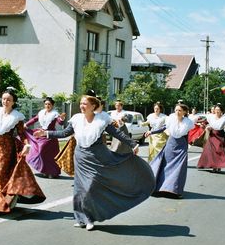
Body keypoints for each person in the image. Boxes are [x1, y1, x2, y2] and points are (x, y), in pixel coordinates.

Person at [35, 94, 155, 231]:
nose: (82, 106)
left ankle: (90, 217)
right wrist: (46, 133)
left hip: (97, 157)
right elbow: (64, 133)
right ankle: (81, 218)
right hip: (80, 156)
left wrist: (133, 144)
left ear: (93, 106)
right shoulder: (76, 119)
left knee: (90, 187)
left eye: (85, 103)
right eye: (81, 103)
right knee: (80, 189)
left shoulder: (102, 119)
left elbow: (117, 133)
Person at [0, 88, 46, 213]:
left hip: (7, 148)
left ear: (13, 102)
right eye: (3, 99)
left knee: (2, 174)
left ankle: (4, 200)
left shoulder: (16, 116)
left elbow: (22, 134)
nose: (5, 101)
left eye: (8, 100)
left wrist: (26, 145)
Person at [147, 103, 194, 198]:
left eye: (180, 110)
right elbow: (163, 128)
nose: (177, 112)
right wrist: (151, 132)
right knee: (166, 166)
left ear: (184, 112)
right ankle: (162, 188)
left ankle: (175, 191)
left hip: (181, 146)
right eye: (176, 110)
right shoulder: (170, 119)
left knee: (179, 168)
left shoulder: (188, 122)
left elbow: (186, 135)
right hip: (170, 144)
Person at [25, 97, 66, 178]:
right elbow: (34, 119)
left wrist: (61, 118)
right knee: (41, 153)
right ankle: (46, 171)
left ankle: (53, 172)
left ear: (52, 105)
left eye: (49, 104)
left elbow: (60, 122)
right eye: (46, 104)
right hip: (40, 134)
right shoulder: (41, 112)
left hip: (50, 136)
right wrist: (26, 124)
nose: (47, 105)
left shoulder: (55, 113)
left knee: (44, 153)